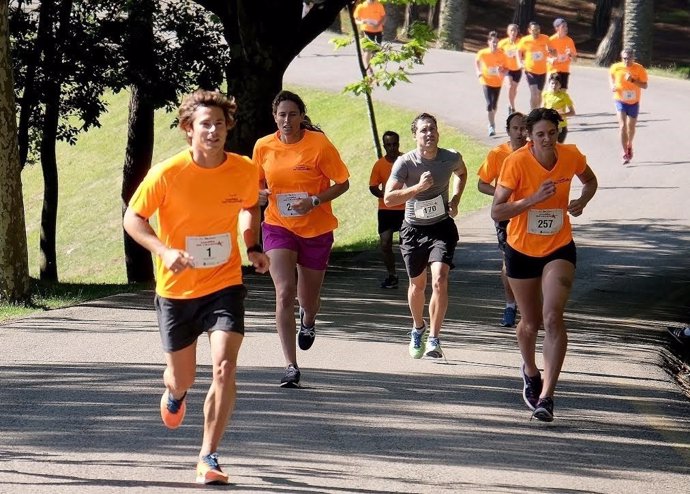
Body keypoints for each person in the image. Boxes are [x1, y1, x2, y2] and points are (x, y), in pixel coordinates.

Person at [123, 90, 270, 484]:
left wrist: (252, 246)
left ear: (228, 128)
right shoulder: (167, 173)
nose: (213, 130)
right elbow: (133, 219)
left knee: (224, 366)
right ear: (189, 129)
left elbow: (247, 206)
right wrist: (163, 250)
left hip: (224, 282)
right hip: (177, 289)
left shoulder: (243, 169)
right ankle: (174, 390)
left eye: (220, 124)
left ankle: (209, 455)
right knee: (184, 377)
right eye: (205, 124)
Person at [491, 107, 597, 422]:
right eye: (540, 134)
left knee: (553, 318)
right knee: (530, 323)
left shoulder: (571, 155)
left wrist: (582, 200)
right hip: (521, 248)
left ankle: (547, 397)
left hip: (558, 247)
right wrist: (532, 199)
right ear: (529, 135)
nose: (547, 139)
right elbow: (497, 212)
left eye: (552, 132)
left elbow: (590, 181)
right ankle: (530, 370)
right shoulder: (516, 162)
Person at [253, 90, 350, 387]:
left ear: (301, 116)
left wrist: (315, 201)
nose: (287, 120)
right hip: (278, 226)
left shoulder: (318, 145)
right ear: (274, 117)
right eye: (282, 115)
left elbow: (342, 183)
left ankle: (308, 321)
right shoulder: (263, 147)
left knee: (307, 299)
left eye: (292, 114)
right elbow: (255, 186)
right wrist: (259, 195)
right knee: (284, 292)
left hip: (316, 229)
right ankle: (290, 366)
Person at [384, 113, 467, 359]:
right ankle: (418, 327)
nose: (429, 133)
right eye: (423, 130)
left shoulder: (450, 157)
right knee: (417, 286)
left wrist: (455, 199)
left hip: (441, 227)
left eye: (432, 129)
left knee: (440, 279)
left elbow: (462, 173)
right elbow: (388, 198)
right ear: (415, 136)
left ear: (438, 132)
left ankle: (434, 338)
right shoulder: (405, 163)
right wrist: (418, 188)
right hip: (413, 230)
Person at [477, 112, 527, 328]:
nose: (520, 132)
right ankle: (510, 305)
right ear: (508, 131)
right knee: (508, 260)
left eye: (524, 128)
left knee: (533, 260)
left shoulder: (534, 151)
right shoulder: (498, 153)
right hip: (506, 212)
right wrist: (501, 193)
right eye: (515, 128)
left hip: (530, 213)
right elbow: (482, 184)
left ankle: (531, 308)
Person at [369, 130, 404, 289]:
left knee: (408, 243)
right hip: (386, 209)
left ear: (398, 143)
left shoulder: (406, 161)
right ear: (384, 146)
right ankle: (392, 275)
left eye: (394, 144)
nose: (392, 147)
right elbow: (373, 186)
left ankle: (415, 274)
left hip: (405, 208)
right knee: (385, 243)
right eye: (388, 145)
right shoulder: (379, 165)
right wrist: (385, 195)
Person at [609, 48, 648, 164]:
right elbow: (611, 76)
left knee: (631, 128)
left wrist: (632, 80)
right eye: (624, 58)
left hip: (634, 102)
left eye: (628, 58)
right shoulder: (616, 67)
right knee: (622, 126)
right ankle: (625, 152)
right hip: (620, 100)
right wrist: (612, 85)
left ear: (633, 58)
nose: (626, 60)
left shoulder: (639, 69)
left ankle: (629, 144)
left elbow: (645, 85)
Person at [475, 31, 509, 136]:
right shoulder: (483, 53)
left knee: (494, 106)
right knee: (489, 104)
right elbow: (477, 61)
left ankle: (491, 119)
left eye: (496, 42)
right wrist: (478, 72)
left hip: (497, 82)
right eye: (493, 42)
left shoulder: (502, 54)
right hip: (486, 81)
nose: (494, 44)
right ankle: (491, 125)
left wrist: (502, 71)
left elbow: (506, 68)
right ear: (488, 42)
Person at [517, 22, 555, 110]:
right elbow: (518, 51)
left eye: (538, 29)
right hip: (530, 70)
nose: (537, 32)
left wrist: (551, 53)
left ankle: (537, 110)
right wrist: (519, 62)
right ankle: (533, 113)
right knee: (534, 93)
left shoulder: (545, 38)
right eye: (534, 30)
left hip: (542, 71)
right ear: (530, 30)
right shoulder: (525, 40)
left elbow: (553, 52)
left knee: (539, 94)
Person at [541, 73, 575, 143]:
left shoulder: (564, 96)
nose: (554, 85)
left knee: (559, 149)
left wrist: (561, 115)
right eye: (552, 83)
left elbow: (572, 112)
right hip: (548, 127)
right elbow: (542, 110)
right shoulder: (545, 94)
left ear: (560, 85)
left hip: (561, 127)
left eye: (556, 83)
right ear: (549, 84)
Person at [353, 0, 386, 74]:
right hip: (366, 30)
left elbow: (383, 17)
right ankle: (368, 68)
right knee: (368, 50)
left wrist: (378, 25)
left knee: (376, 51)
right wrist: (361, 22)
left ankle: (368, 63)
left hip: (378, 31)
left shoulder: (379, 5)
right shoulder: (361, 6)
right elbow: (356, 20)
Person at [498, 23, 522, 115]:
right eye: (511, 30)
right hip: (507, 69)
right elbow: (496, 55)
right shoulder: (502, 43)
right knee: (509, 86)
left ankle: (510, 104)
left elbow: (525, 52)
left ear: (517, 32)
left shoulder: (520, 42)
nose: (513, 32)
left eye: (515, 30)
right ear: (508, 32)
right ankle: (512, 108)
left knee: (514, 89)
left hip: (517, 69)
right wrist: (499, 65)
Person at [547, 18, 577, 89]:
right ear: (557, 28)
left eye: (566, 26)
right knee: (552, 93)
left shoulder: (569, 41)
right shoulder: (551, 40)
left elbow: (575, 59)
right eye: (563, 26)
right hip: (553, 70)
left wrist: (571, 54)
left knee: (562, 94)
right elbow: (544, 56)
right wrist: (550, 60)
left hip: (564, 70)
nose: (566, 28)